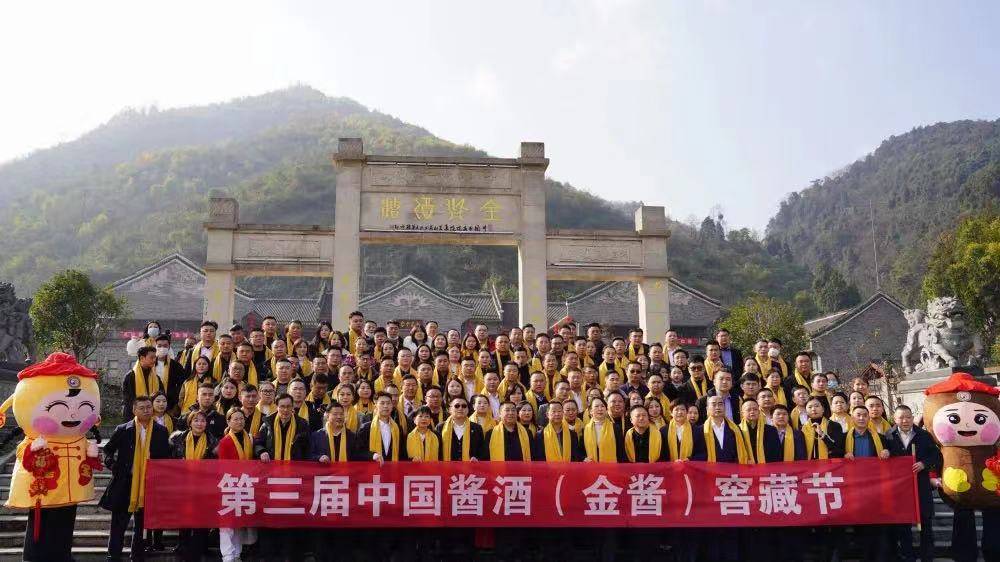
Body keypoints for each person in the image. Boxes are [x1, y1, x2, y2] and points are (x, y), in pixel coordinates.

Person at [100, 395, 171, 560]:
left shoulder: (161, 431)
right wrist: (113, 465)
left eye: (149, 407)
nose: (146, 411)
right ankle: (113, 556)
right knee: (118, 524)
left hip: (149, 483)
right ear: (134, 410)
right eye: (142, 408)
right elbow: (107, 450)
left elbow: (166, 457)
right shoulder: (123, 429)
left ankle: (137, 556)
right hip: (125, 482)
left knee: (142, 525)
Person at [254, 392, 311, 560]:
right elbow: (257, 443)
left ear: (293, 408)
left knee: (290, 517)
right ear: (276, 407)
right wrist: (262, 451)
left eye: (288, 407)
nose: (285, 410)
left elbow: (307, 449)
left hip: (293, 479)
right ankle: (269, 554)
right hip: (271, 479)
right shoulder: (267, 423)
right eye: (282, 406)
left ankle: (289, 554)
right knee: (270, 516)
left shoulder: (302, 424)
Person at [885, 404, 941, 562]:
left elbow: (936, 456)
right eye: (901, 417)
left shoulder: (923, 435)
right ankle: (908, 556)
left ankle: (927, 557)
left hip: (921, 486)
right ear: (895, 419)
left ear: (912, 417)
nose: (905, 420)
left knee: (926, 524)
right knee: (903, 526)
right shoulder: (888, 436)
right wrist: (886, 453)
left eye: (908, 417)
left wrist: (924, 464)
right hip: (900, 489)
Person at [168, 410, 217, 561]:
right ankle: (183, 547)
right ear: (190, 423)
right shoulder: (177, 439)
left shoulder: (213, 442)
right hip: (182, 485)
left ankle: (199, 550)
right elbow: (170, 460)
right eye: (196, 420)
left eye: (202, 421)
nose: (199, 423)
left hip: (204, 487)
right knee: (184, 518)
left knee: (201, 519)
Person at [845, 405, 890, 561]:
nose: (862, 418)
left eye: (865, 415)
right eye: (858, 415)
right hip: (853, 489)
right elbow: (833, 457)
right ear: (852, 417)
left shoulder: (880, 438)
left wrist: (888, 452)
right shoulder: (844, 438)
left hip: (875, 488)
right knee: (860, 527)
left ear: (869, 418)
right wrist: (844, 455)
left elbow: (895, 454)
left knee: (876, 525)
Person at [216, 409, 258, 562]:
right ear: (228, 422)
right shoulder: (225, 441)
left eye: (241, 418)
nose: (239, 422)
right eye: (235, 419)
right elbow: (223, 466)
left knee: (239, 521)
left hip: (246, 484)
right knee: (227, 522)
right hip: (230, 484)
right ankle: (227, 555)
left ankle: (237, 553)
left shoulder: (250, 438)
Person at [121, 346, 162, 419]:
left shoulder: (156, 378)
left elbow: (161, 395)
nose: (154, 360)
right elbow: (128, 400)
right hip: (133, 416)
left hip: (153, 416)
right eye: (151, 357)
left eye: (155, 357)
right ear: (142, 358)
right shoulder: (130, 376)